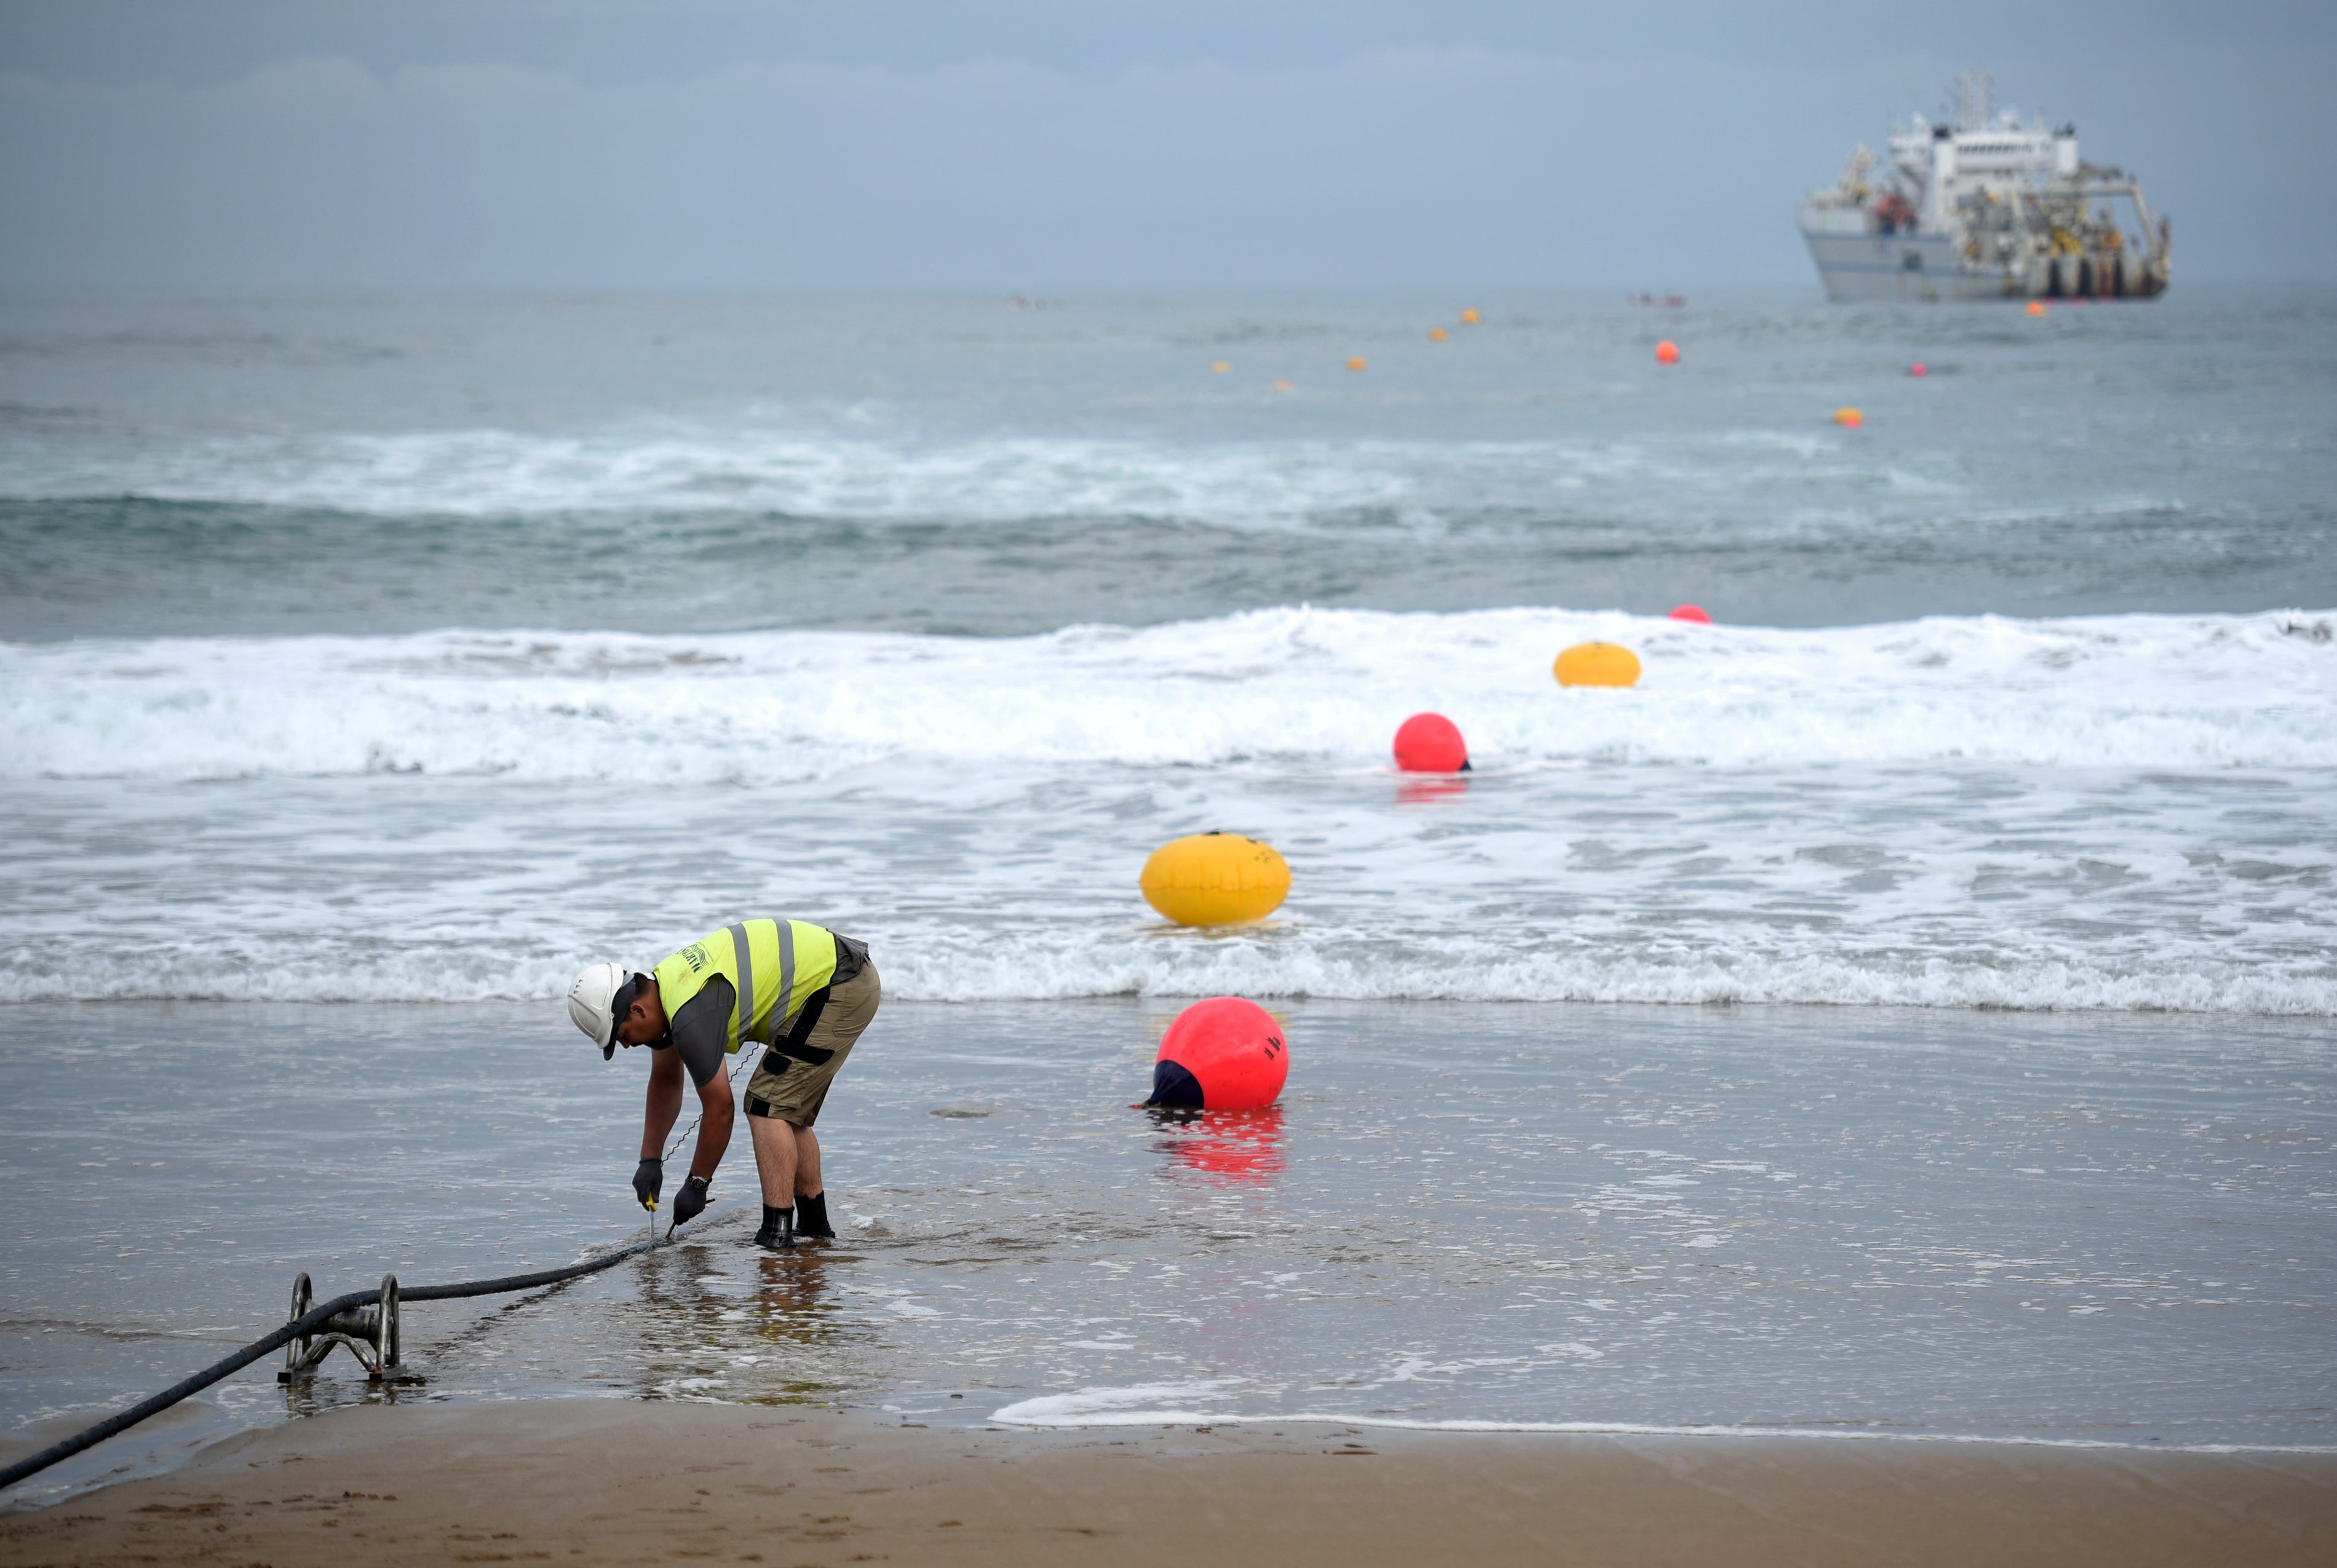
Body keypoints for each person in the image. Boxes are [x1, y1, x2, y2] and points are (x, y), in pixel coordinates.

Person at [566, 919, 878, 1250]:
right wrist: (650, 1161)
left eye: (622, 1036)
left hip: (840, 984)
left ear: (637, 1009)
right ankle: (815, 1230)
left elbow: (719, 1109)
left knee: (766, 1106)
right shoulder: (668, 990)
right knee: (783, 1109)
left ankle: (777, 1234)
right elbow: (666, 1080)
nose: (627, 1046)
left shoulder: (689, 1015)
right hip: (838, 977)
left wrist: (697, 1184)